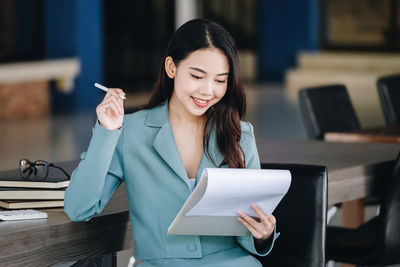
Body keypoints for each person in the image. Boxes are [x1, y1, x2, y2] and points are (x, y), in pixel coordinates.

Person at [64, 18, 279, 266]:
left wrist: (263, 234)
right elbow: (79, 208)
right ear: (171, 67)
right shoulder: (130, 132)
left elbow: (248, 229)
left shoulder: (240, 134)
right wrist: (106, 131)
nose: (208, 90)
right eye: (197, 76)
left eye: (220, 80)